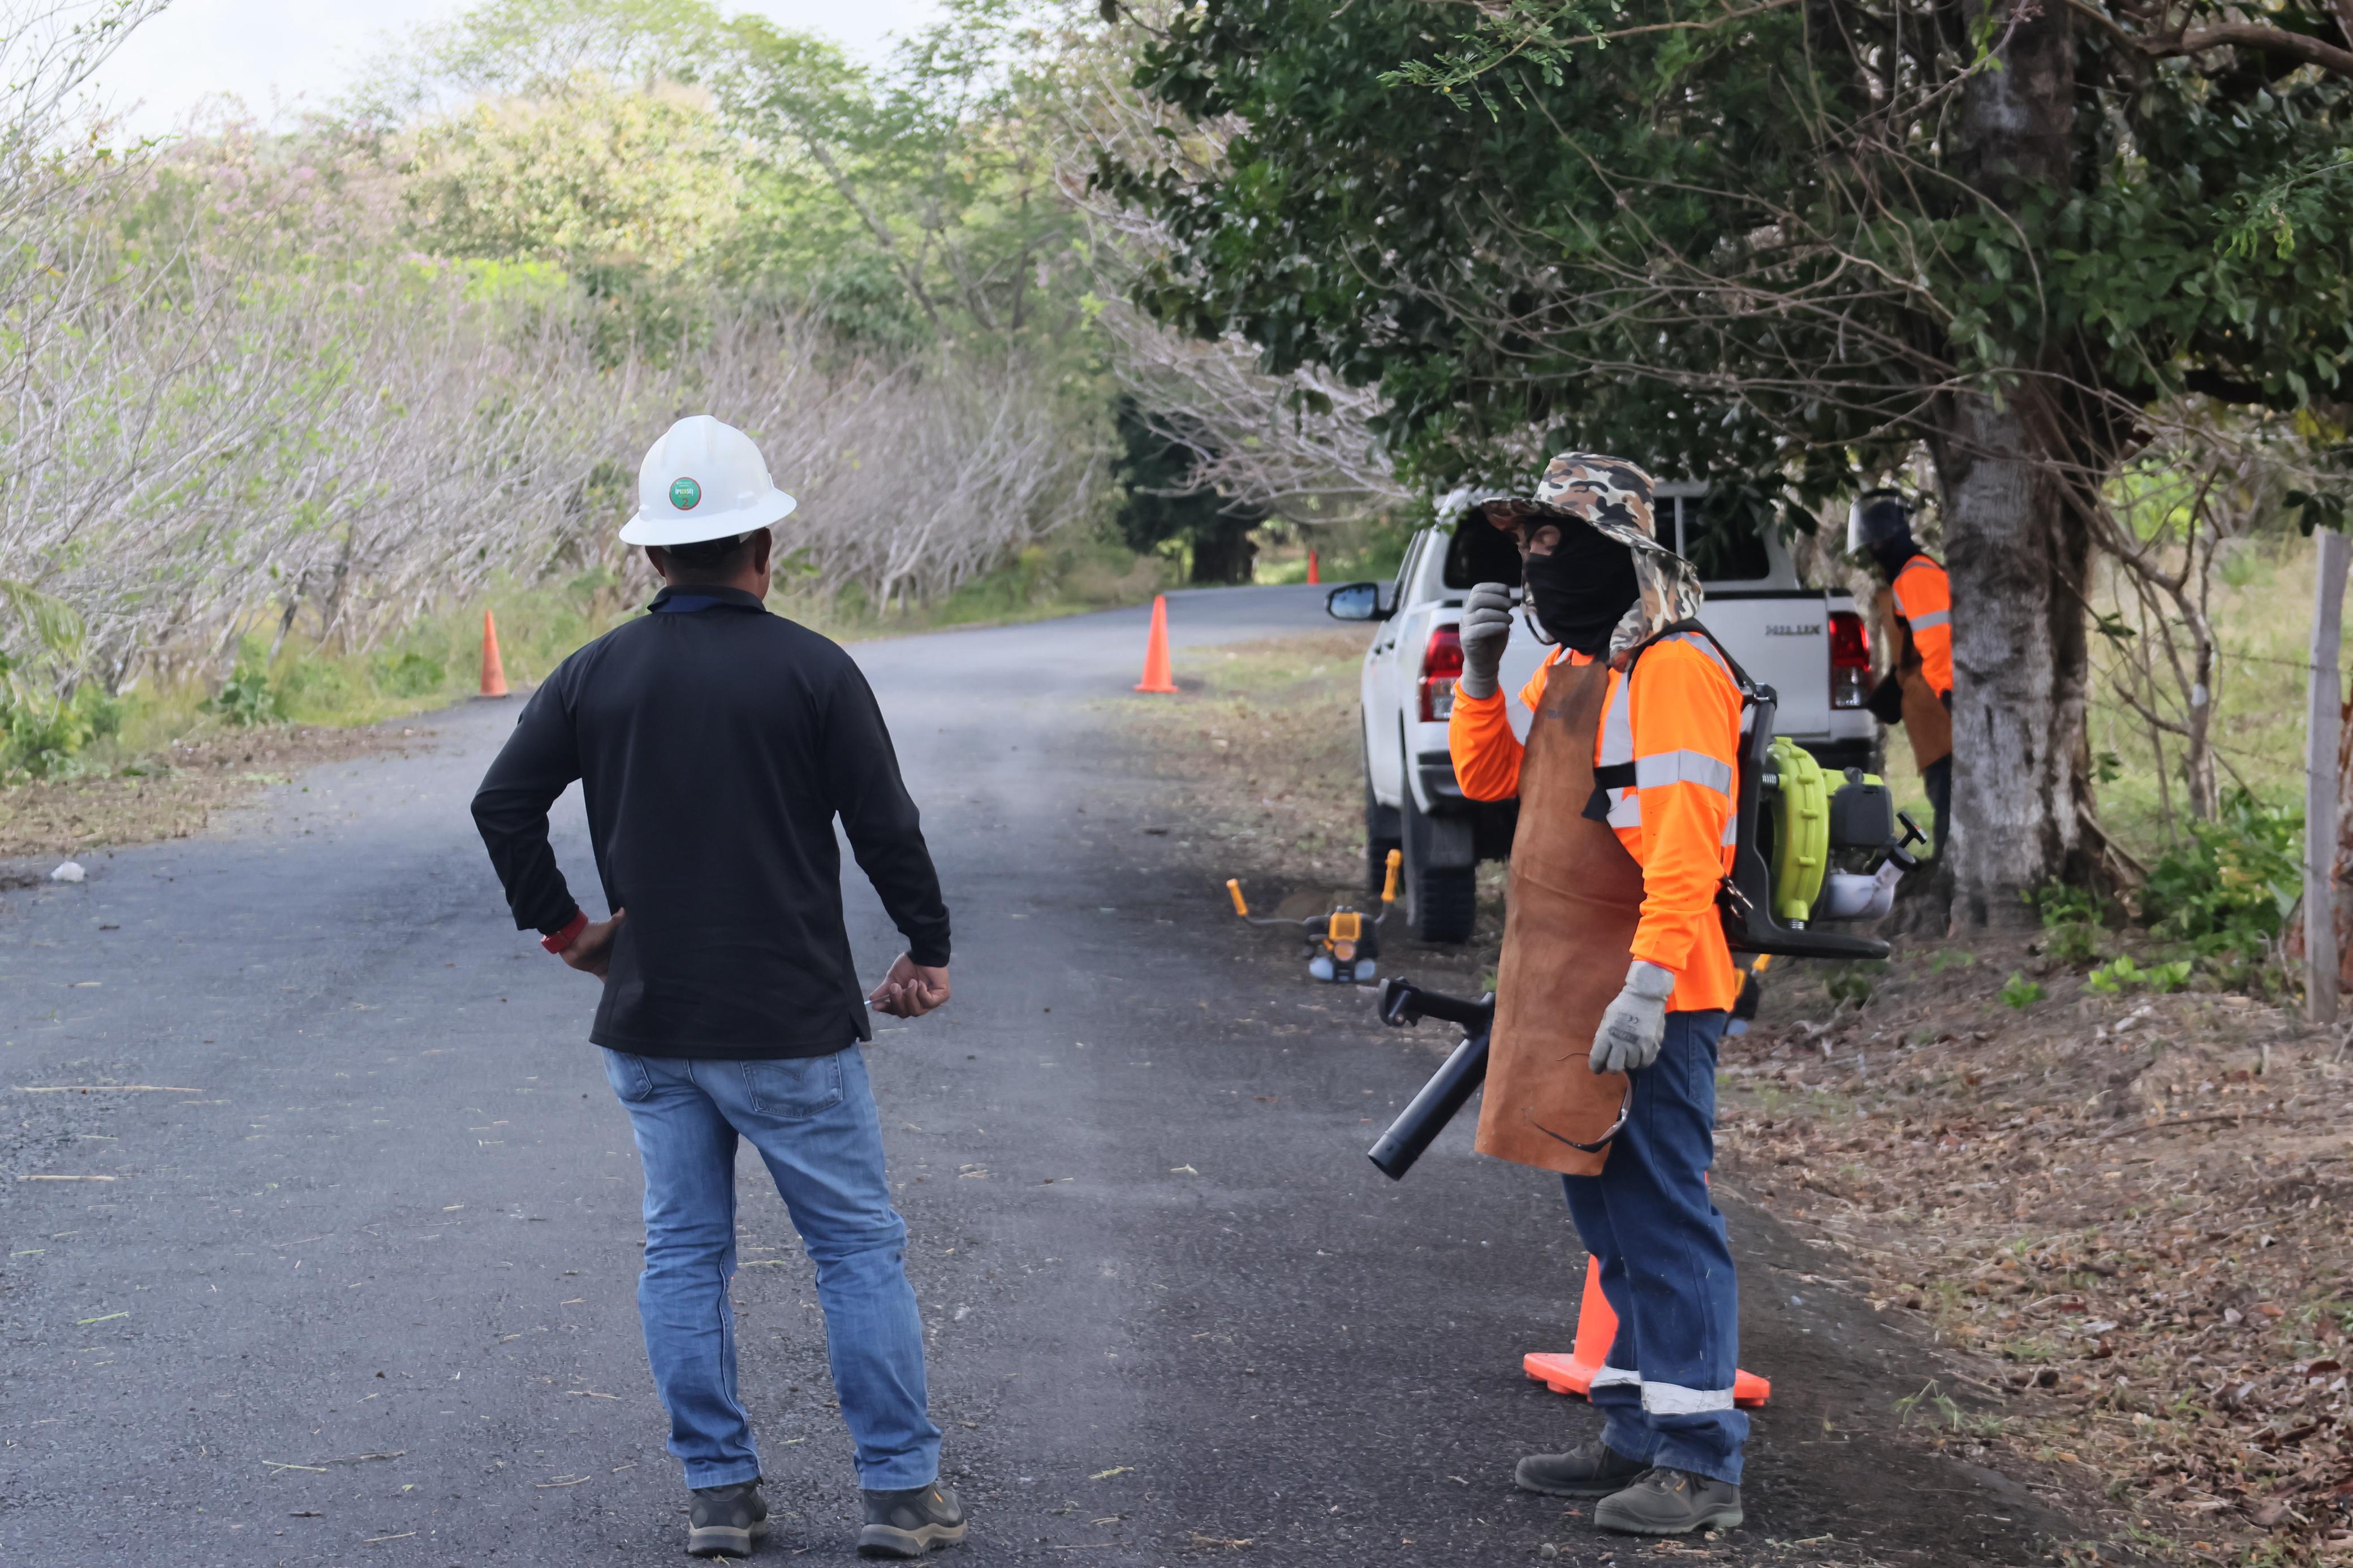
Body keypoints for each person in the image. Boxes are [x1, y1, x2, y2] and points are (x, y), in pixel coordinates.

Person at [470, 414, 968, 1561]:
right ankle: (898, 1497)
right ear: (764, 546)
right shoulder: (812, 670)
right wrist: (924, 947)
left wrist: (570, 934)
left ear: (650, 556)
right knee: (853, 1251)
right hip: (788, 1022)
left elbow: (502, 805)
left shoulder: (595, 672)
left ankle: (719, 1497)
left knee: (683, 1254)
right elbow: (885, 826)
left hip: (650, 1017)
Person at [1447, 454, 1748, 1536]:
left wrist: (1651, 988)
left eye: (1554, 542)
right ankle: (1632, 1428)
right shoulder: (1580, 666)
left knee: (1666, 1218)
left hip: (1652, 993)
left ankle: (1703, 1464)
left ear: (1621, 552)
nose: (1535, 565)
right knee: (1610, 1219)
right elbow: (1489, 781)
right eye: (1525, 545)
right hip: (1579, 985)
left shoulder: (1670, 670)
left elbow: (1684, 856)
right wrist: (1480, 674)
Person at [1850, 488, 1953, 857]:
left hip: (1939, 707)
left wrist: (1949, 698)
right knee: (1943, 792)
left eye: (1874, 542)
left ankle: (1947, 866)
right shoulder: (1909, 576)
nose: (1872, 552)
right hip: (1929, 705)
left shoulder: (1916, 576)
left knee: (1948, 795)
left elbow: (1938, 643)